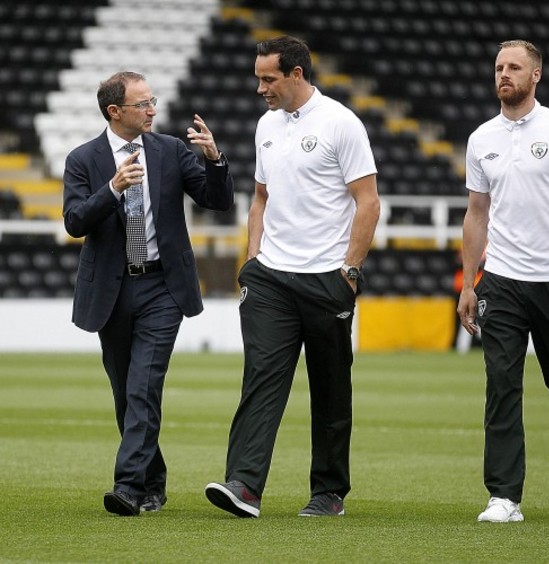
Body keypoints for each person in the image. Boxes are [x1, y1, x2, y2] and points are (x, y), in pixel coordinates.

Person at [205, 35, 380, 518]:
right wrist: (252, 261)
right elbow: (259, 199)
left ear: (297, 75)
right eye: (258, 77)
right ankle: (243, 485)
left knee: (329, 388)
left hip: (327, 278)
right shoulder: (266, 125)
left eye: (268, 78)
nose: (260, 87)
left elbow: (368, 202)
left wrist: (350, 269)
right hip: (271, 280)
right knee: (261, 379)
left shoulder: (342, 123)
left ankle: (328, 493)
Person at [63, 71, 234, 516]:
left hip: (163, 286)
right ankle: (153, 482)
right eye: (143, 104)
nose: (152, 109)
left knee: (143, 386)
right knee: (126, 394)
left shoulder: (171, 151)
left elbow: (216, 202)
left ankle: (127, 487)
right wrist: (112, 189)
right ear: (115, 111)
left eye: (152, 101)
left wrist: (215, 160)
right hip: (112, 290)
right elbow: (75, 221)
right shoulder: (83, 159)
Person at [457, 40, 549, 523]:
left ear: (535, 74)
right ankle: (504, 496)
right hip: (501, 281)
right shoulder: (481, 138)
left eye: (514, 67)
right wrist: (469, 283)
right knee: (501, 387)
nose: (504, 74)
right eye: (499, 66)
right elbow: (476, 215)